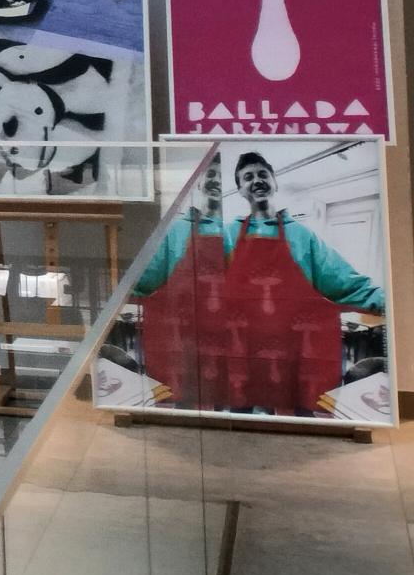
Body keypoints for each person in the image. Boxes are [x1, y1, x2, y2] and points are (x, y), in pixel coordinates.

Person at [135, 149, 385, 415]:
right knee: (238, 417)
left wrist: (388, 302)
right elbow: (199, 288)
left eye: (262, 174)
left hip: (290, 357)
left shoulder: (302, 236)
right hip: (238, 357)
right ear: (240, 190)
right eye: (248, 177)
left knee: (294, 421)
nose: (257, 181)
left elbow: (344, 282)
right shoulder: (228, 233)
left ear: (274, 182)